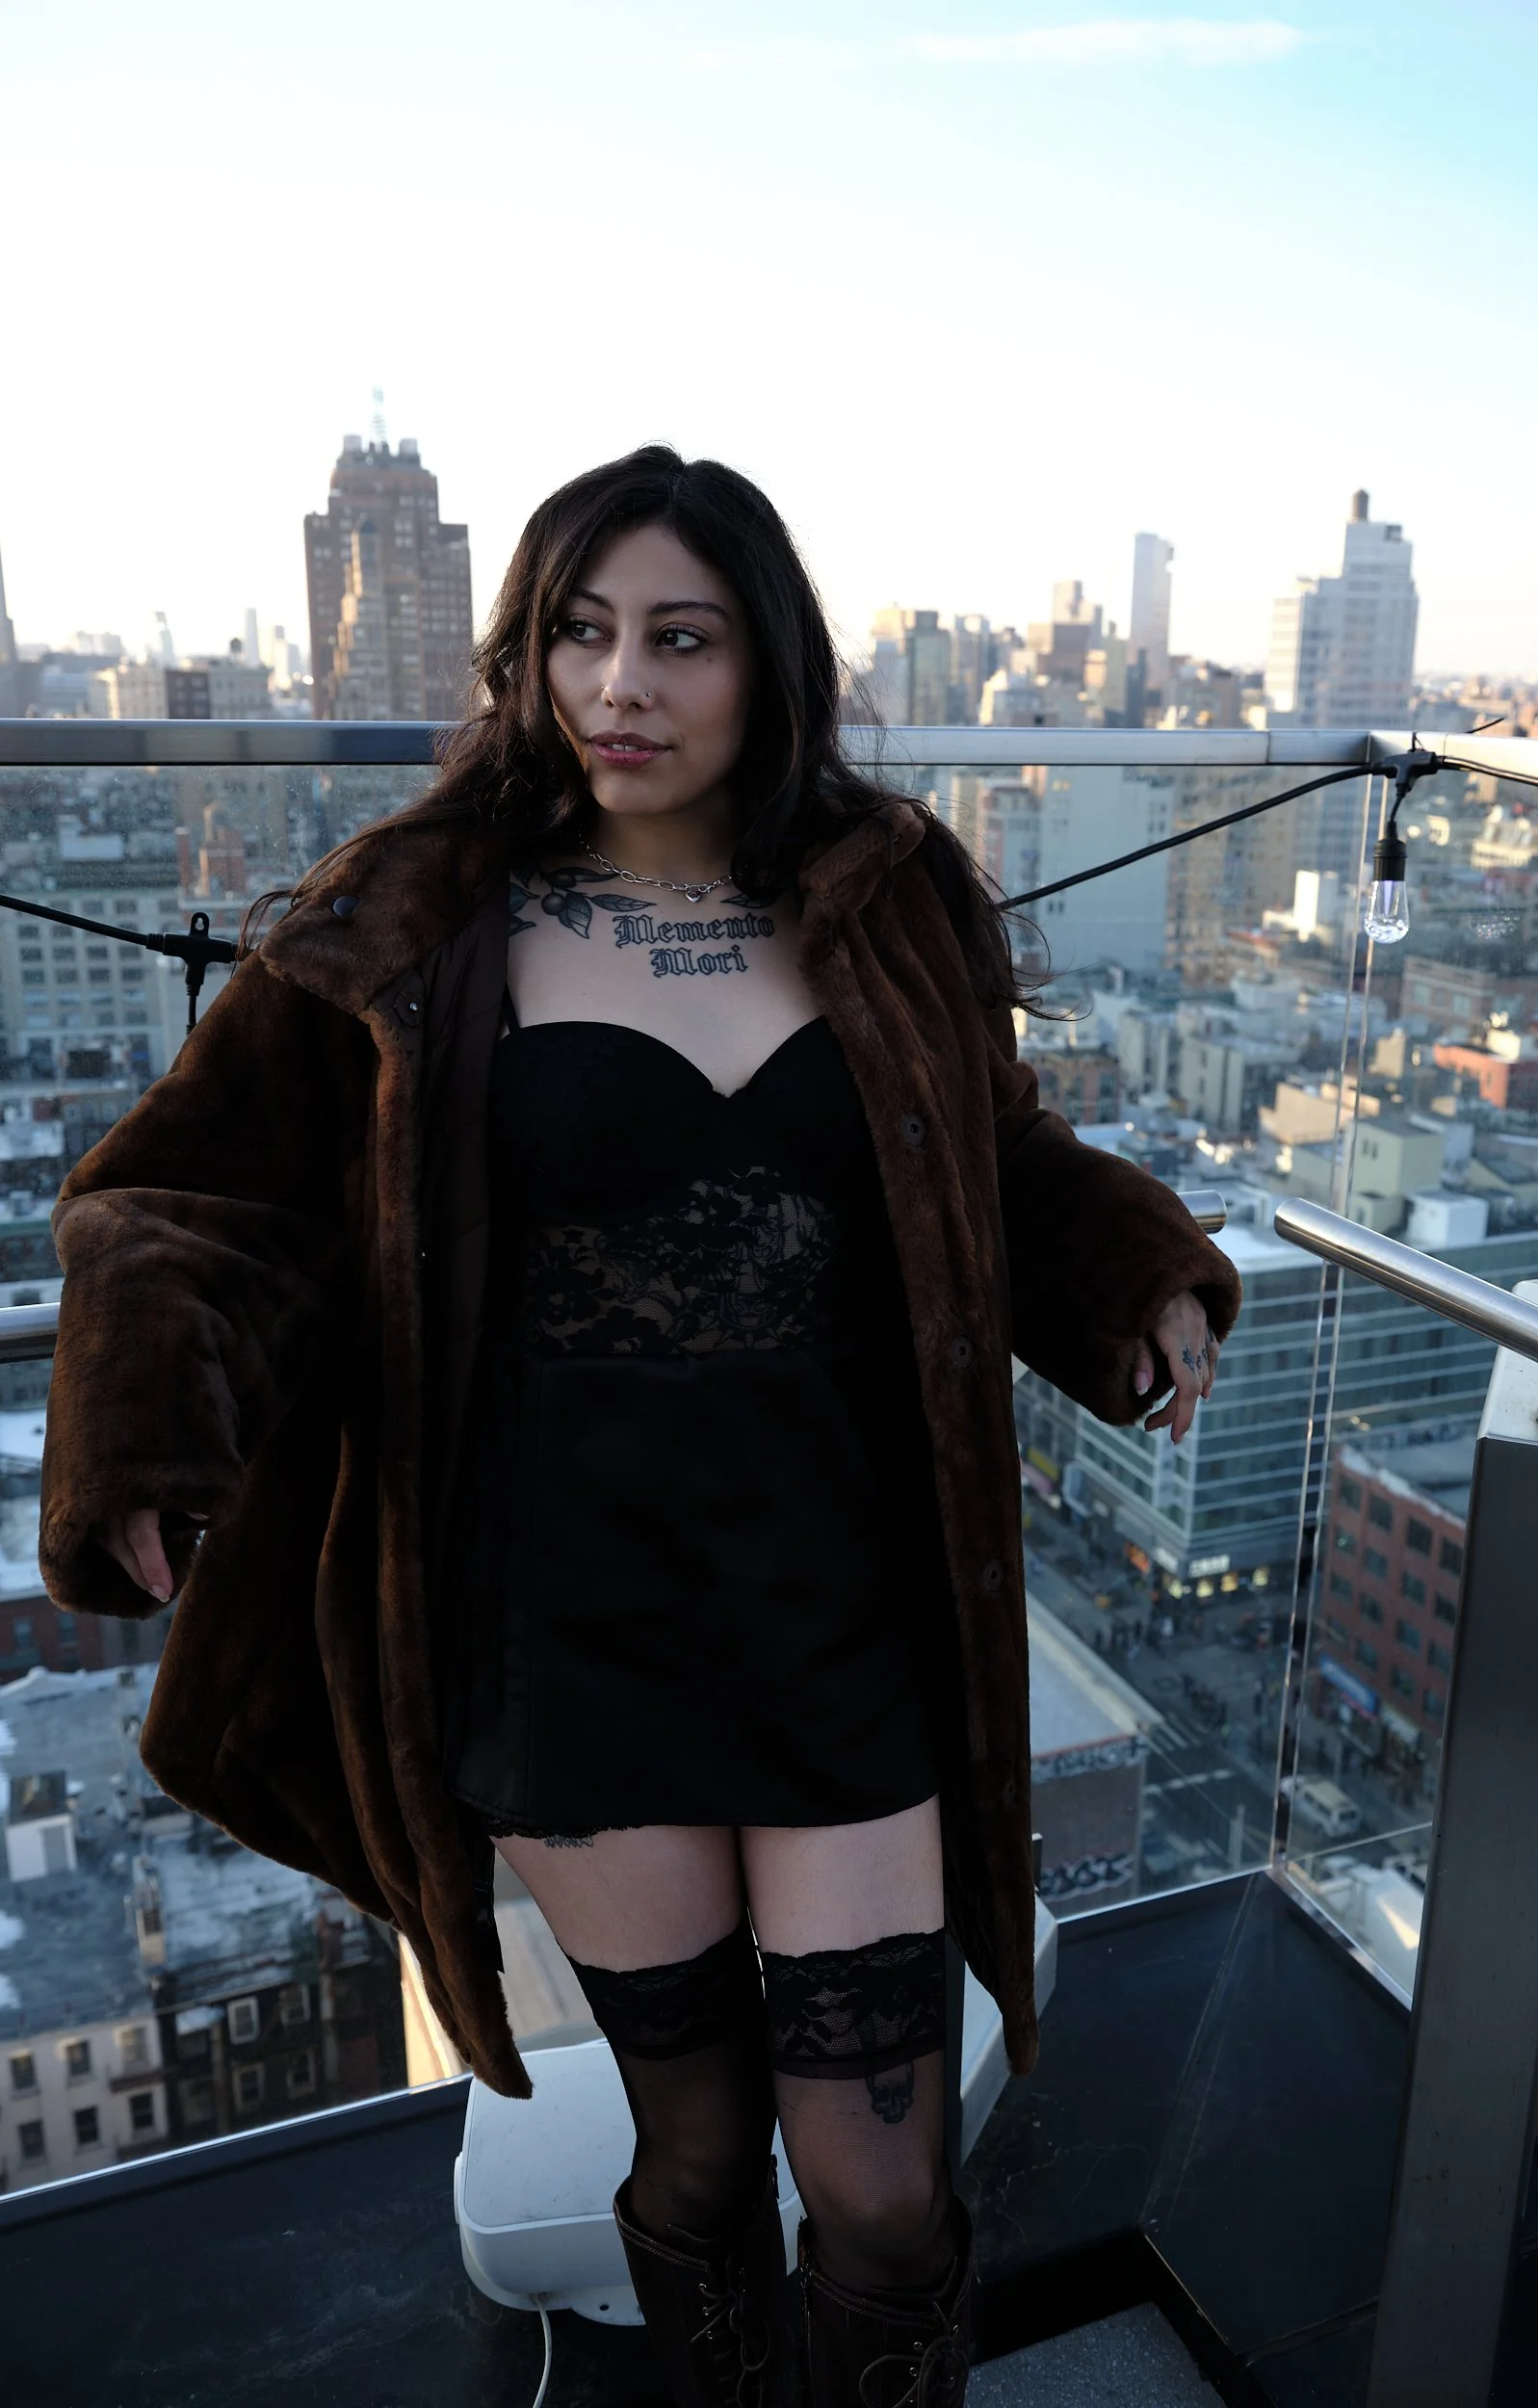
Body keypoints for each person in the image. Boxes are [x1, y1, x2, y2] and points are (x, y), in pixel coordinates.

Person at [39, 447, 1240, 2407]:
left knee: (878, 2175)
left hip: (834, 1597)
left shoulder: (888, 895)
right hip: (554, 1613)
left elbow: (988, 1150)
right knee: (689, 2140)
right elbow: (189, 1196)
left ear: (767, 667)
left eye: (679, 639)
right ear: (524, 657)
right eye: (578, 634)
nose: (620, 686)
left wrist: (1133, 1273)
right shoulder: (412, 911)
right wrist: (151, 1420)